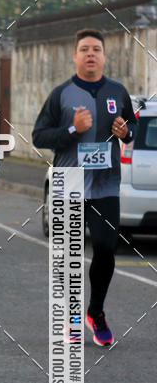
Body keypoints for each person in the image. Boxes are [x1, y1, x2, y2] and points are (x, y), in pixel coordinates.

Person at [33, 28, 136, 346]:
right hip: (68, 182)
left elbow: (131, 127)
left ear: (104, 56)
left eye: (96, 49)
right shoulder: (60, 94)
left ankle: (97, 311)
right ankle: (74, 316)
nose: (90, 54)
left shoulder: (118, 92)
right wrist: (71, 129)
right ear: (75, 56)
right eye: (84, 49)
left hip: (105, 182)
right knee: (69, 256)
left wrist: (125, 132)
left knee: (106, 247)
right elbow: (39, 136)